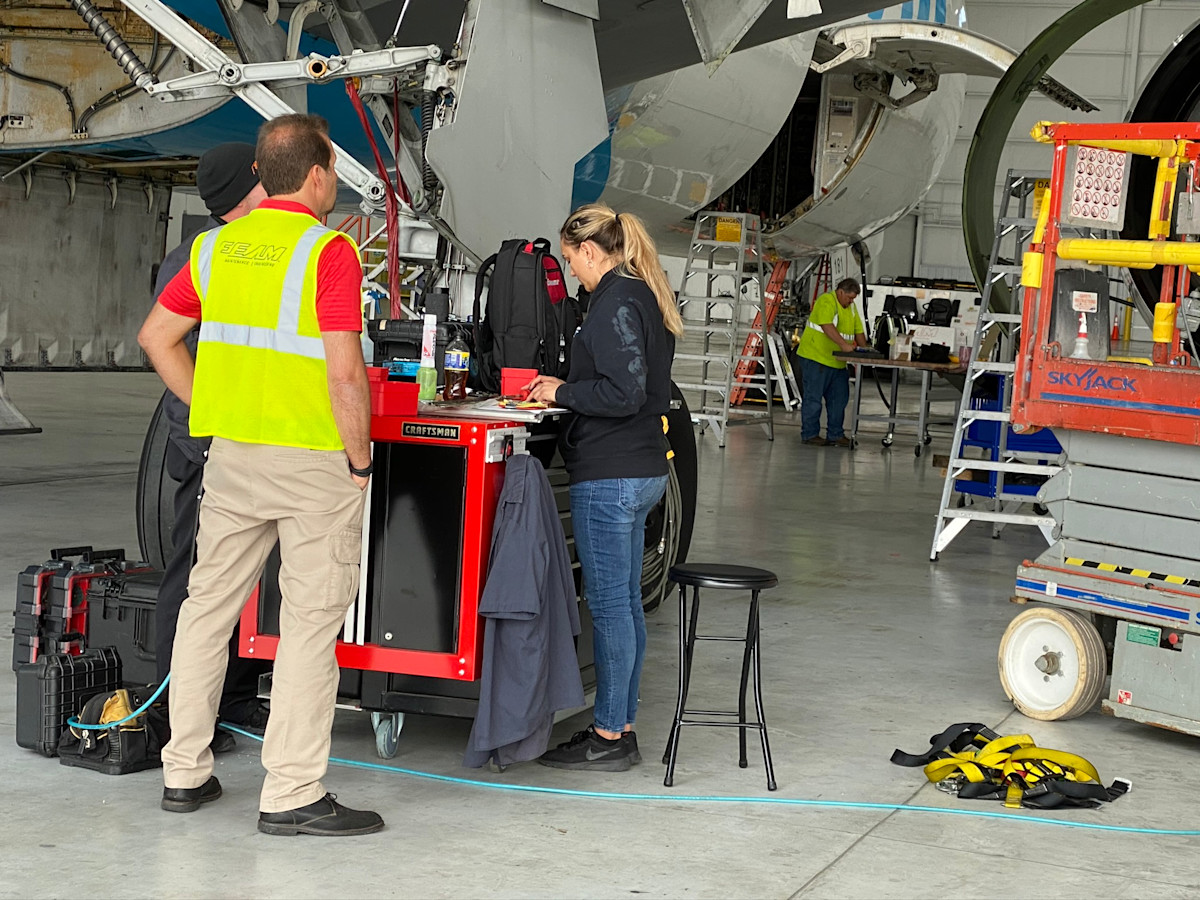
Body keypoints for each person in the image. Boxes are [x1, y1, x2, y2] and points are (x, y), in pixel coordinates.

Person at [138, 113, 383, 836]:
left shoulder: (214, 250)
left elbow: (156, 337)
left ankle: (184, 773)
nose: (334, 182)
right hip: (310, 463)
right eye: (333, 171)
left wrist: (209, 405)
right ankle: (291, 794)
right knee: (309, 625)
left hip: (233, 458)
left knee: (206, 611)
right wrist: (361, 457)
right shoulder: (328, 251)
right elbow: (345, 370)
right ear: (315, 176)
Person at [525, 203, 681, 772]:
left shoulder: (615, 300)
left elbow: (624, 392)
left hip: (611, 473)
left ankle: (611, 736)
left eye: (571, 262)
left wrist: (559, 392)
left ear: (591, 251)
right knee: (627, 608)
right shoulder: (643, 292)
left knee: (612, 608)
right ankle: (619, 724)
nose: (572, 274)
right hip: (640, 470)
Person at [152, 143, 270, 752]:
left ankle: (235, 699)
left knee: (245, 580)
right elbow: (164, 347)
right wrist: (207, 426)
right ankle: (174, 709)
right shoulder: (199, 256)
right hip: (204, 444)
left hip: (239, 441)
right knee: (196, 582)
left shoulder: (245, 253)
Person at [797, 277, 867, 447]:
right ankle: (810, 434)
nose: (851, 301)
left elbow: (858, 331)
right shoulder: (827, 301)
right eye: (849, 297)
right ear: (840, 292)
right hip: (816, 358)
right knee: (813, 399)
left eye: (853, 299)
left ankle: (835, 434)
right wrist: (844, 345)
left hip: (837, 362)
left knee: (839, 399)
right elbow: (826, 325)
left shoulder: (851, 308)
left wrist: (866, 351)